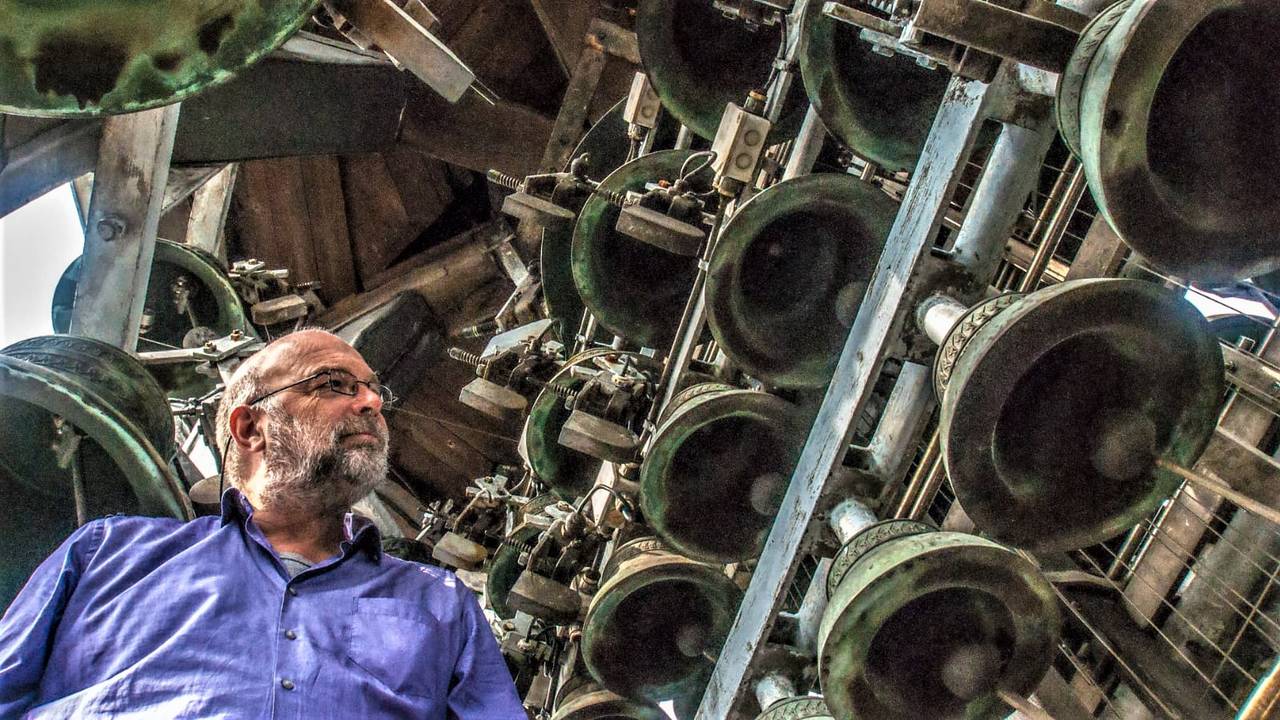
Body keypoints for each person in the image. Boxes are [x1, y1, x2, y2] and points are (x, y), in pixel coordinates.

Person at [0, 329, 526, 719]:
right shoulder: (108, 553)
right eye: (333, 384)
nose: (371, 401)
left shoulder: (439, 602)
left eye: (372, 390)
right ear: (250, 426)